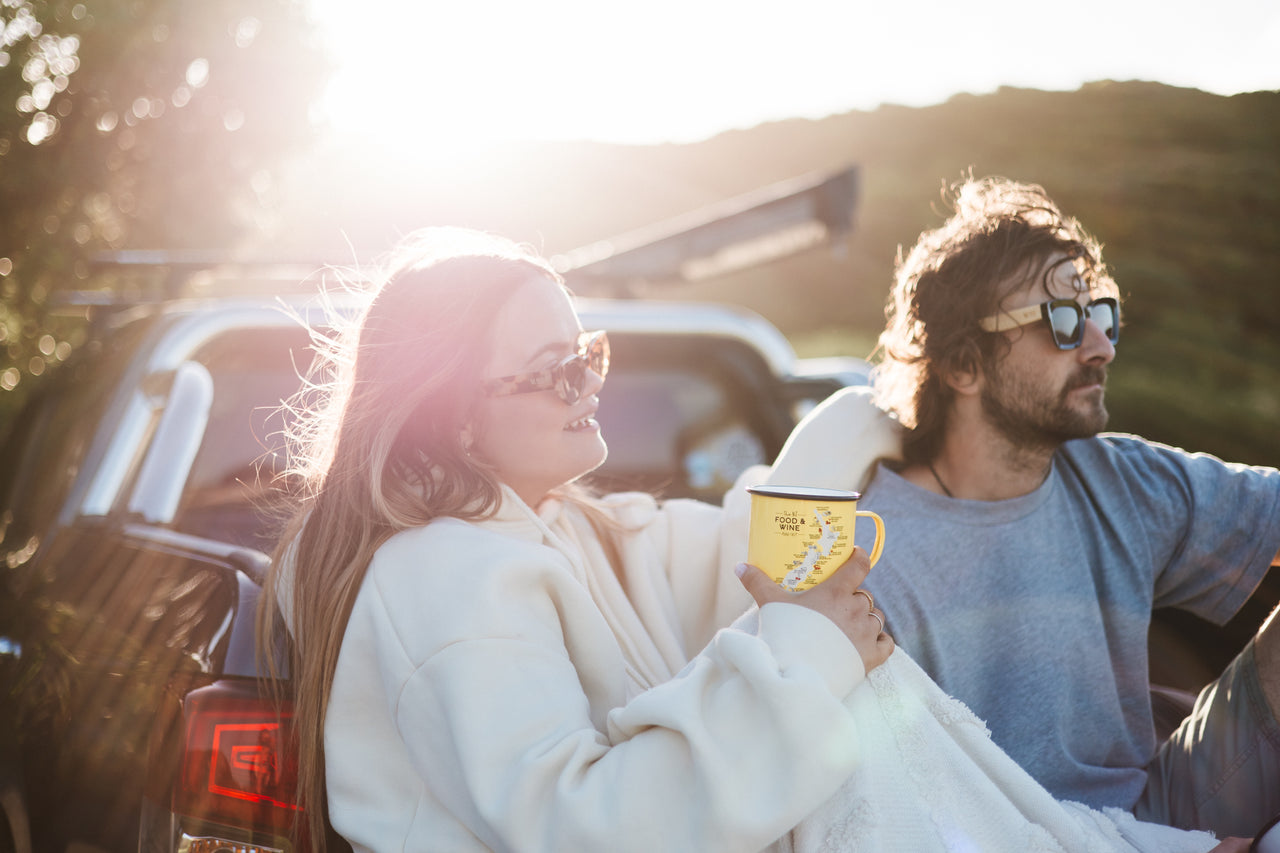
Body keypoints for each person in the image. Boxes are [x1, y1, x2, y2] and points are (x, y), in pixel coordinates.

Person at [258, 226, 1243, 852]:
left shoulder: (553, 528)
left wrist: (864, 427)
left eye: (586, 356)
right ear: (451, 420)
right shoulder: (446, 578)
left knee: (866, 694)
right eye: (551, 372)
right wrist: (806, 656)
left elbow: (738, 545)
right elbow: (576, 828)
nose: (586, 386)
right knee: (852, 710)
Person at [729, 175, 1280, 840]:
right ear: (964, 365)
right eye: (1064, 321)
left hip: (1157, 805)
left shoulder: (1118, 477)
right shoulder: (869, 562)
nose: (1102, 346)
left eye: (1100, 313)